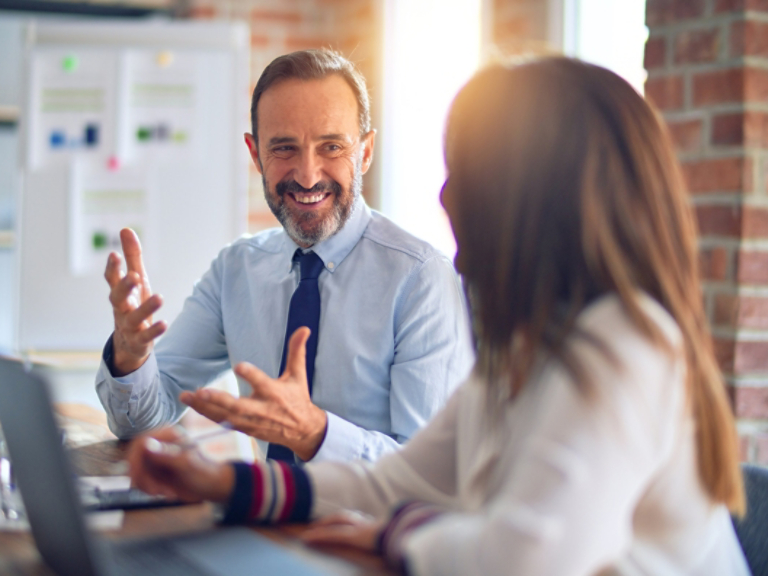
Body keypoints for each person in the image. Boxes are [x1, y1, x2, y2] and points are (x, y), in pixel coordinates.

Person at [126, 57, 750, 575]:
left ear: (540, 198)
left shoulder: (622, 348)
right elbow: (397, 482)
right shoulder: (525, 349)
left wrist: (398, 537)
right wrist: (223, 484)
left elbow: (524, 561)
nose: (446, 195)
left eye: (468, 174)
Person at [96, 49, 474, 463]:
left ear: (365, 152)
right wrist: (130, 359)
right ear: (255, 154)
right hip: (262, 503)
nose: (307, 175)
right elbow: (142, 422)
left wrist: (316, 435)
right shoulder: (235, 271)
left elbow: (431, 472)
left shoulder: (421, 279)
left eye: (331, 146)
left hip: (357, 510)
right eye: (284, 148)